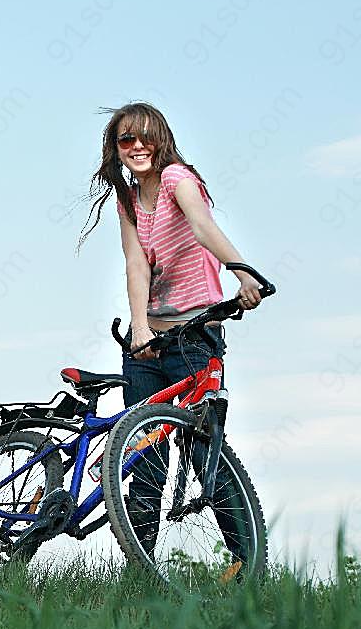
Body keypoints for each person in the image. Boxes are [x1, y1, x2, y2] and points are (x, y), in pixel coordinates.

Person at [79, 102, 263, 551]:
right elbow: (135, 262)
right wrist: (139, 328)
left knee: (205, 450)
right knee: (144, 456)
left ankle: (247, 567)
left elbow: (202, 226)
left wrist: (242, 272)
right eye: (127, 139)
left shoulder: (178, 180)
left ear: (161, 141)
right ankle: (142, 570)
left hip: (195, 337)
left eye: (146, 137)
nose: (137, 146)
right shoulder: (126, 199)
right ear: (116, 148)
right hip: (148, 342)